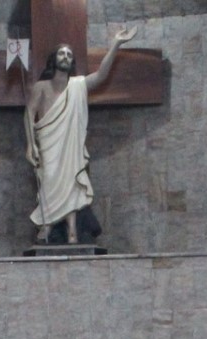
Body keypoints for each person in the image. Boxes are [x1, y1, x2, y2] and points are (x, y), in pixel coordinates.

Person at [25, 28, 135, 245]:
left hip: (71, 144)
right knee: (49, 181)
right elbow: (29, 114)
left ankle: (73, 232)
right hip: (49, 143)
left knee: (72, 183)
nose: (65, 57)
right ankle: (47, 226)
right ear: (53, 59)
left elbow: (101, 76)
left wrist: (116, 43)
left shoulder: (78, 85)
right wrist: (30, 144)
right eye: (61, 53)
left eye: (69, 54)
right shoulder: (41, 87)